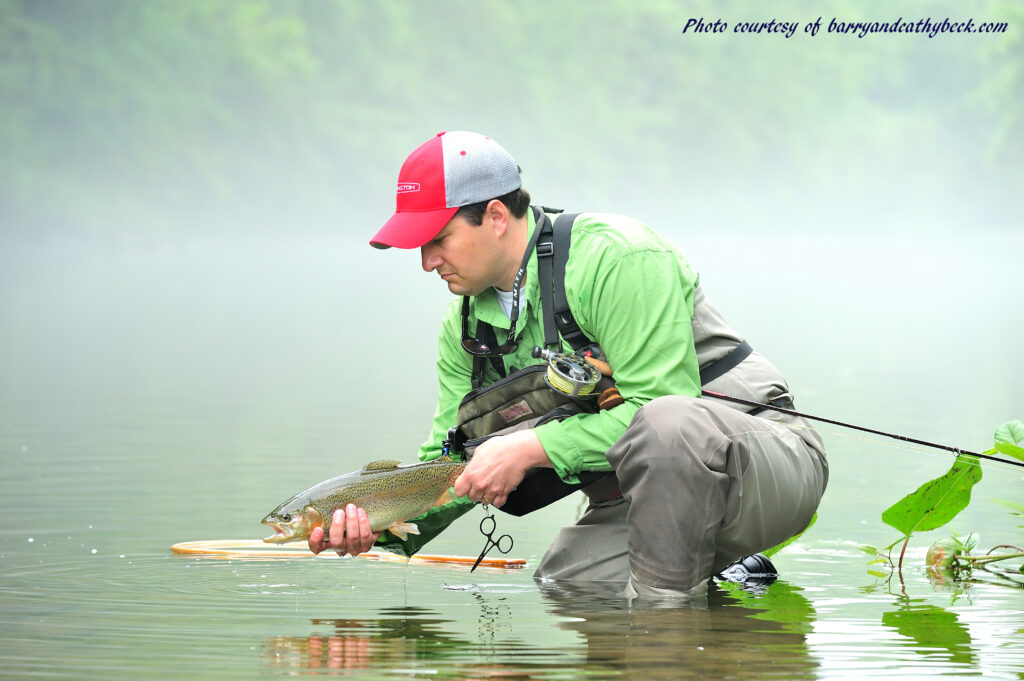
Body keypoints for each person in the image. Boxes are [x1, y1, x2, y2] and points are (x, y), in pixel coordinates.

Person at [309, 130, 828, 602]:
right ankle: (718, 584)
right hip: (640, 498)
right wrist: (380, 522)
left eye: (437, 240)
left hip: (765, 464)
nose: (426, 262)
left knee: (667, 425)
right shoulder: (462, 329)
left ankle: (669, 641)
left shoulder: (618, 258)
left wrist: (528, 447)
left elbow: (667, 410)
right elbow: (451, 463)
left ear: (494, 217)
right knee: (568, 586)